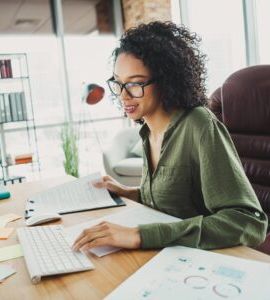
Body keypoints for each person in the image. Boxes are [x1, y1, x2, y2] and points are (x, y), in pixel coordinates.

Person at [72, 21, 268, 252]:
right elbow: (175, 203)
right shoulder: (148, 131)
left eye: (135, 84)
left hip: (203, 262)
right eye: (119, 83)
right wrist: (131, 193)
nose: (123, 96)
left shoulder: (198, 124)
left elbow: (248, 222)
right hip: (166, 255)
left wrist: (139, 236)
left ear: (166, 81)